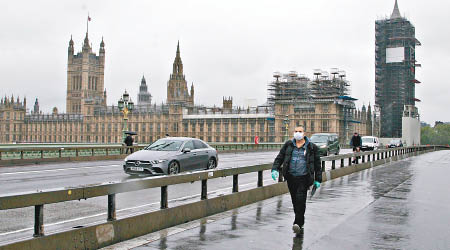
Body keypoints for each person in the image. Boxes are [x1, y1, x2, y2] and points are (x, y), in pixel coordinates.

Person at [271, 126, 322, 235]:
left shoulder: (312, 147)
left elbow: (317, 165)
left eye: (300, 131)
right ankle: (300, 220)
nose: (297, 133)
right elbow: (279, 157)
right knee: (295, 201)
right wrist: (274, 169)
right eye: (296, 131)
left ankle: (297, 223)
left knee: (300, 200)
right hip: (291, 177)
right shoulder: (288, 145)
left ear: (304, 133)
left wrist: (318, 179)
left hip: (304, 178)